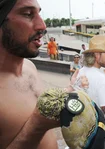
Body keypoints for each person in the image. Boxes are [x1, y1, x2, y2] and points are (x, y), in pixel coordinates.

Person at [0, 0, 60, 148]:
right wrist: (37, 126)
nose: (42, 25)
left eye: (39, 14)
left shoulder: (29, 67)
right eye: (28, 14)